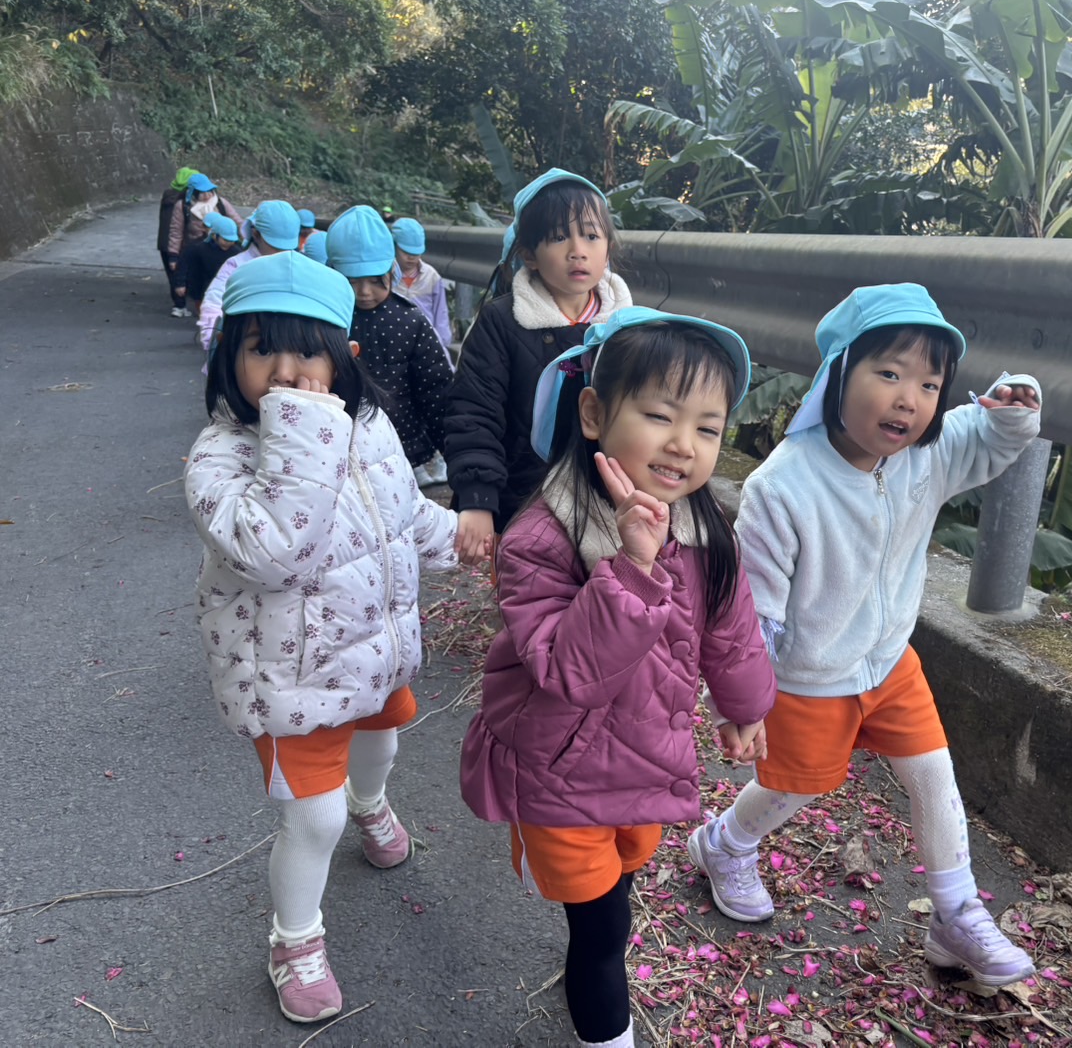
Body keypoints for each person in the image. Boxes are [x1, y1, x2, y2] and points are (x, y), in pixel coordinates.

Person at [688, 283, 1044, 989]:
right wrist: (741, 701)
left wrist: (1014, 401)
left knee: (934, 775)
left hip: (888, 662)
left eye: (929, 384)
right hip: (810, 675)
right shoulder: (783, 486)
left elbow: (992, 436)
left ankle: (955, 915)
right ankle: (724, 842)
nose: (909, 399)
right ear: (838, 373)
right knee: (794, 789)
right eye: (888, 373)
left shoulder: (927, 454)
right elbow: (756, 611)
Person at [460, 307, 776, 1048]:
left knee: (620, 892)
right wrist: (632, 566)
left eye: (707, 428)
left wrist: (743, 706)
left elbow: (730, 627)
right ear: (595, 414)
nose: (683, 444)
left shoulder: (704, 529)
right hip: (559, 773)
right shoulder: (544, 536)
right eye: (660, 416)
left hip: (644, 763)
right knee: (600, 935)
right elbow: (565, 669)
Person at [186, 250, 461, 1023]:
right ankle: (295, 939)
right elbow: (275, 551)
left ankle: (371, 803)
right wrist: (303, 428)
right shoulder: (217, 458)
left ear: (345, 357)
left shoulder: (368, 428)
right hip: (289, 680)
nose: (285, 370)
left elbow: (402, 511)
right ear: (227, 356)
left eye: (308, 351)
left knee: (383, 744)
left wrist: (465, 542)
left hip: (371, 653)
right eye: (261, 348)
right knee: (313, 819)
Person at [443, 169, 632, 566]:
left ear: (608, 249)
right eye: (559, 237)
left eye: (591, 236)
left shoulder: (629, 327)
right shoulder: (501, 322)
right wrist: (478, 499)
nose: (577, 251)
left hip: (606, 497)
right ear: (529, 254)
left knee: (606, 595)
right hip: (526, 498)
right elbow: (475, 411)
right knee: (529, 596)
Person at [326, 205, 453, 488]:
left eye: (375, 281)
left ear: (391, 271)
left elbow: (436, 392)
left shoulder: (411, 321)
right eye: (352, 281)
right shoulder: (326, 322)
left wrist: (454, 453)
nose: (364, 292)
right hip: (339, 447)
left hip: (401, 444)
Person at [197, 200, 301, 354]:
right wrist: (214, 346)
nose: (282, 253)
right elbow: (214, 303)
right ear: (255, 234)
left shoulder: (300, 266)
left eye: (287, 247)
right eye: (275, 246)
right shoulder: (237, 266)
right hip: (244, 349)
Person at [167, 173, 242, 298]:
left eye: (210, 191)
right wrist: (173, 255)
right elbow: (176, 231)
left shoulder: (220, 203)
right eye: (202, 192)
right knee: (198, 280)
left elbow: (237, 221)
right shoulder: (183, 206)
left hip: (219, 247)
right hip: (196, 248)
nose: (207, 195)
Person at [389, 218, 452, 351]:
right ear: (394, 246)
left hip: (425, 342)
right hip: (393, 341)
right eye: (406, 252)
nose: (411, 257)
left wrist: (442, 344)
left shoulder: (431, 276)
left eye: (416, 253)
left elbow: (441, 313)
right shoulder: (385, 276)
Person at [179, 212, 242, 320]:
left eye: (232, 241)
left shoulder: (237, 252)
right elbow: (184, 265)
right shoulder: (198, 248)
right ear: (214, 235)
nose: (228, 243)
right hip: (202, 289)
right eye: (225, 240)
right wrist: (180, 283)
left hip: (227, 289)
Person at [158, 166, 198, 316]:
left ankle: (178, 306)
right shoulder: (184, 202)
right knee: (184, 274)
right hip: (180, 243)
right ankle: (185, 304)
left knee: (173, 275)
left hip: (164, 242)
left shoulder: (167, 196)